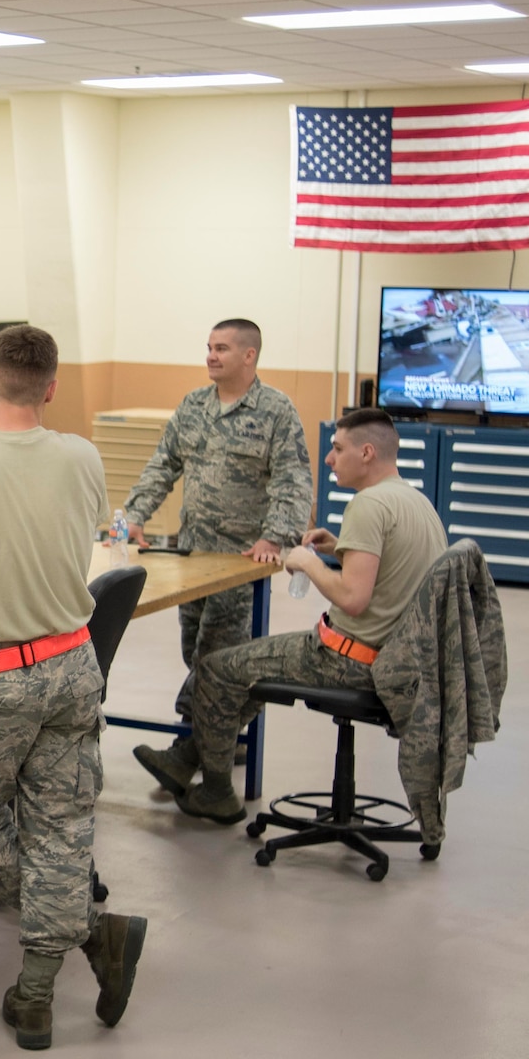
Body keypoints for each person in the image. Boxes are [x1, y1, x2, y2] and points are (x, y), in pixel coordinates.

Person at [0, 325, 148, 1053]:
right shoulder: (83, 456)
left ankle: (86, 939)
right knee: (62, 827)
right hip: (72, 665)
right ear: (52, 387)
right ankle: (37, 995)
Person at [169, 408, 450, 825]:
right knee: (248, 670)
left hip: (348, 661)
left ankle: (215, 792)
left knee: (216, 669)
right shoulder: (416, 502)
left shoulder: (368, 505)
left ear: (367, 453)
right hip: (398, 662)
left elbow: (353, 599)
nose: (330, 459)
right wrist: (340, 547)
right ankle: (186, 757)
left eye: (338, 449)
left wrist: (309, 563)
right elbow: (392, 569)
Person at [121, 318, 313, 792]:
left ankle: (192, 751)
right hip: (193, 557)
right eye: (209, 347)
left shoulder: (275, 411)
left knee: (216, 657)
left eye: (222, 348)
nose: (211, 355)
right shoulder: (193, 406)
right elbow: (163, 464)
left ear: (249, 355)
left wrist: (275, 538)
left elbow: (292, 481)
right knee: (195, 650)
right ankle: (215, 738)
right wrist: (135, 515)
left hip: (240, 562)